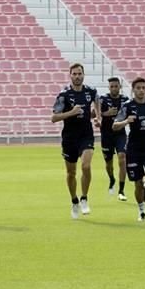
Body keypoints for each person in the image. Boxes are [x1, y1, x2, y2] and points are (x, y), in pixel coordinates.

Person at [51, 63, 100, 218]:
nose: (77, 76)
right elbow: (54, 117)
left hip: (86, 135)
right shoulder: (64, 95)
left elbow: (97, 102)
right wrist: (71, 112)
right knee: (71, 172)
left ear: (83, 75)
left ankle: (84, 198)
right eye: (74, 74)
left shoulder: (90, 92)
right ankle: (74, 201)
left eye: (80, 73)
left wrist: (98, 116)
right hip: (69, 138)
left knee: (86, 166)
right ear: (70, 75)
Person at [113, 77, 145, 222]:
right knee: (137, 183)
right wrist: (125, 121)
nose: (141, 90)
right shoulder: (128, 106)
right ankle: (141, 210)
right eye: (138, 88)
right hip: (133, 150)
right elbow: (115, 126)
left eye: (143, 88)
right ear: (133, 90)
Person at [99, 77, 129, 201]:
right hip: (106, 135)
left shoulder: (125, 100)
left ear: (120, 87)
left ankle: (121, 190)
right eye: (112, 86)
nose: (114, 88)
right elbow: (92, 114)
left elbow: (132, 113)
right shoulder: (103, 99)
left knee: (122, 158)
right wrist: (106, 113)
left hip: (120, 134)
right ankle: (112, 179)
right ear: (109, 87)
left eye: (116, 86)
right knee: (109, 163)